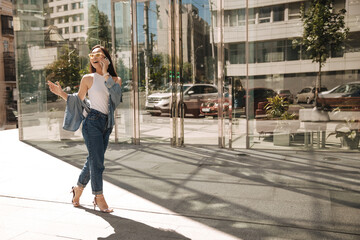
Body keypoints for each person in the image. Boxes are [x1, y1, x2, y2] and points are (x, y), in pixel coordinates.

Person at [48, 45, 122, 213]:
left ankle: (77, 190)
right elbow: (78, 101)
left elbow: (116, 99)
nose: (94, 57)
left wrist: (105, 74)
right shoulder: (87, 78)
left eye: (99, 54)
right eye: (92, 54)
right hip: (92, 123)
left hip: (106, 125)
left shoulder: (115, 80)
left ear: (106, 59)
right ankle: (98, 197)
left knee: (92, 160)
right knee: (98, 163)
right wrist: (61, 94)